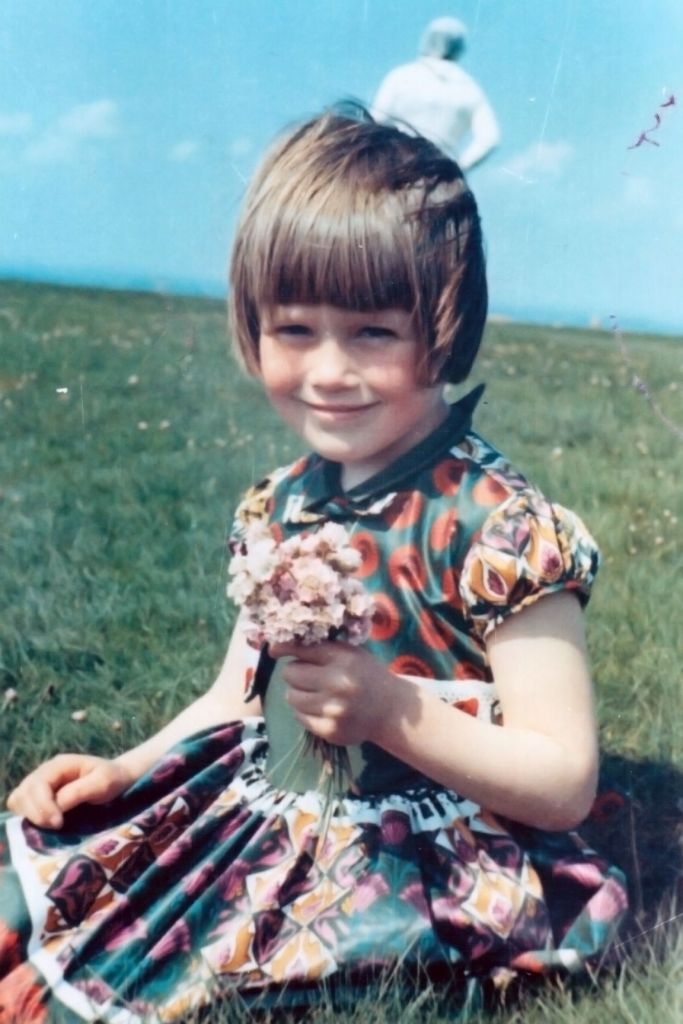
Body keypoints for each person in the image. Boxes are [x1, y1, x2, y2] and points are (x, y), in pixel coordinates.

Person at [0, 108, 627, 1022]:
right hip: (276, 802)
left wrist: (391, 711)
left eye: (372, 331)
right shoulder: (280, 502)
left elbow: (563, 781)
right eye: (293, 329)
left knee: (212, 990)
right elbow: (235, 698)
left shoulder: (496, 527)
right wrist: (127, 770)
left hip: (429, 852)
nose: (329, 370)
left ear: (443, 329)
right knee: (38, 880)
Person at [372, 16, 500, 171]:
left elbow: (374, 123)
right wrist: (459, 169)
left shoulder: (400, 76)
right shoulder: (471, 89)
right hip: (441, 175)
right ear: (459, 48)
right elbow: (490, 139)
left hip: (398, 169)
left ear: (427, 39)